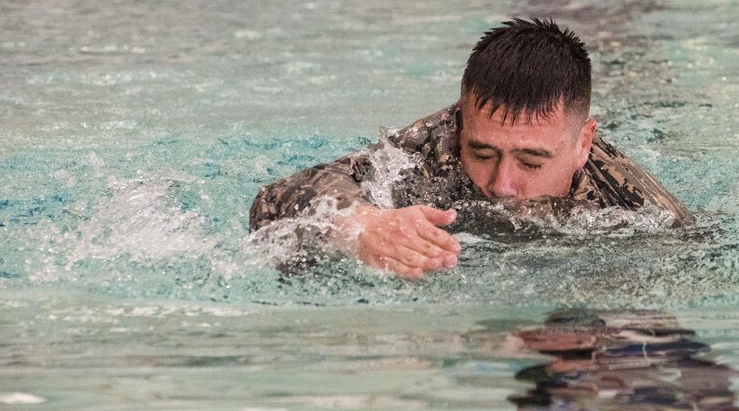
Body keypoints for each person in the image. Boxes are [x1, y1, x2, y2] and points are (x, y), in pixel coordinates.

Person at [249, 17, 692, 278]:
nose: (502, 185)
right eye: (481, 154)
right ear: (463, 122)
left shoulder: (630, 202)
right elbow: (273, 202)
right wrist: (362, 225)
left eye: (531, 160)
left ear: (582, 144)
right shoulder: (428, 151)